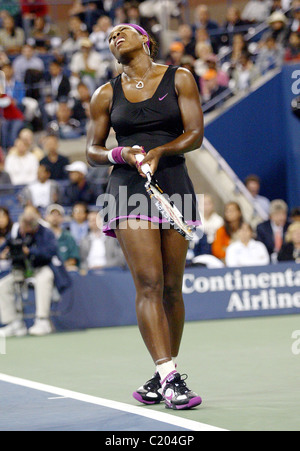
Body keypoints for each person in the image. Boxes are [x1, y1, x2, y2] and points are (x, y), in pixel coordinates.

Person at [86, 23, 204, 410]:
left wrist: (160, 151)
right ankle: (171, 377)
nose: (114, 38)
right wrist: (121, 155)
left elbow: (195, 134)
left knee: (172, 287)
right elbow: (93, 149)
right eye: (110, 38)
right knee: (150, 284)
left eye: (123, 32)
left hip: (172, 181)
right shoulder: (106, 94)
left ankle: (161, 375)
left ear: (145, 40)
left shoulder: (179, 78)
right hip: (127, 190)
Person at [0, 210, 58, 337]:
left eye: (26, 228)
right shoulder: (17, 232)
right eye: (22, 227)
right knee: (3, 285)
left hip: (41, 267)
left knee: (45, 278)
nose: (24, 230)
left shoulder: (46, 232)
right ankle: (14, 323)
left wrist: (30, 251)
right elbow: (5, 246)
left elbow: (50, 252)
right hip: (23, 270)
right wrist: (3, 254)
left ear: (34, 226)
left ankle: (42, 320)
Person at [45, 204, 80, 271]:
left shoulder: (68, 236)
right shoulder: (42, 236)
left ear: (62, 218)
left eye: (58, 215)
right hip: (47, 269)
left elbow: (73, 259)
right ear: (46, 217)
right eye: (52, 214)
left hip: (65, 268)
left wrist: (61, 267)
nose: (55, 217)